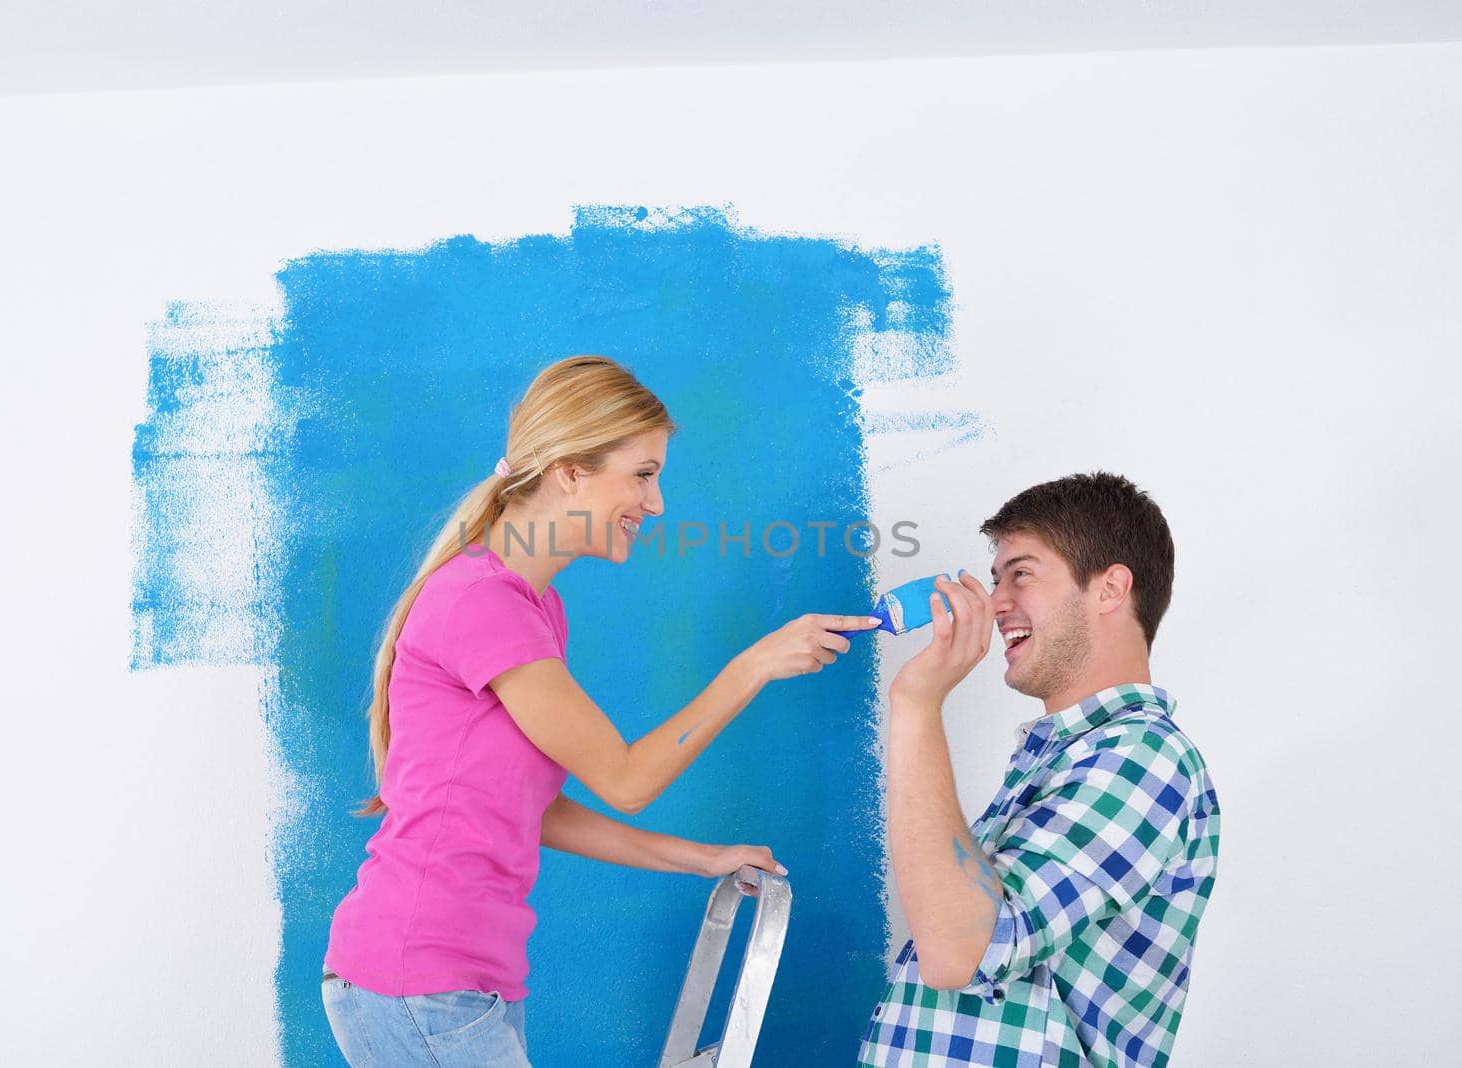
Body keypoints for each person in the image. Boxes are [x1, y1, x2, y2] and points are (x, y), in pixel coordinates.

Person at [321, 355, 881, 1067]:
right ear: (570, 471)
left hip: (456, 986)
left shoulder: (532, 606)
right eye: (643, 474)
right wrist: (756, 665)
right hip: (418, 982)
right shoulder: (482, 604)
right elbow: (624, 779)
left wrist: (703, 859)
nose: (657, 504)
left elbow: (530, 806)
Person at [858, 473, 1221, 1067]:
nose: (997, 602)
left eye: (1021, 574)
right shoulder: (1065, 760)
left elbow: (959, 952)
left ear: (1110, 589)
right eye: (997, 578)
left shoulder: (1142, 758)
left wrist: (917, 705)